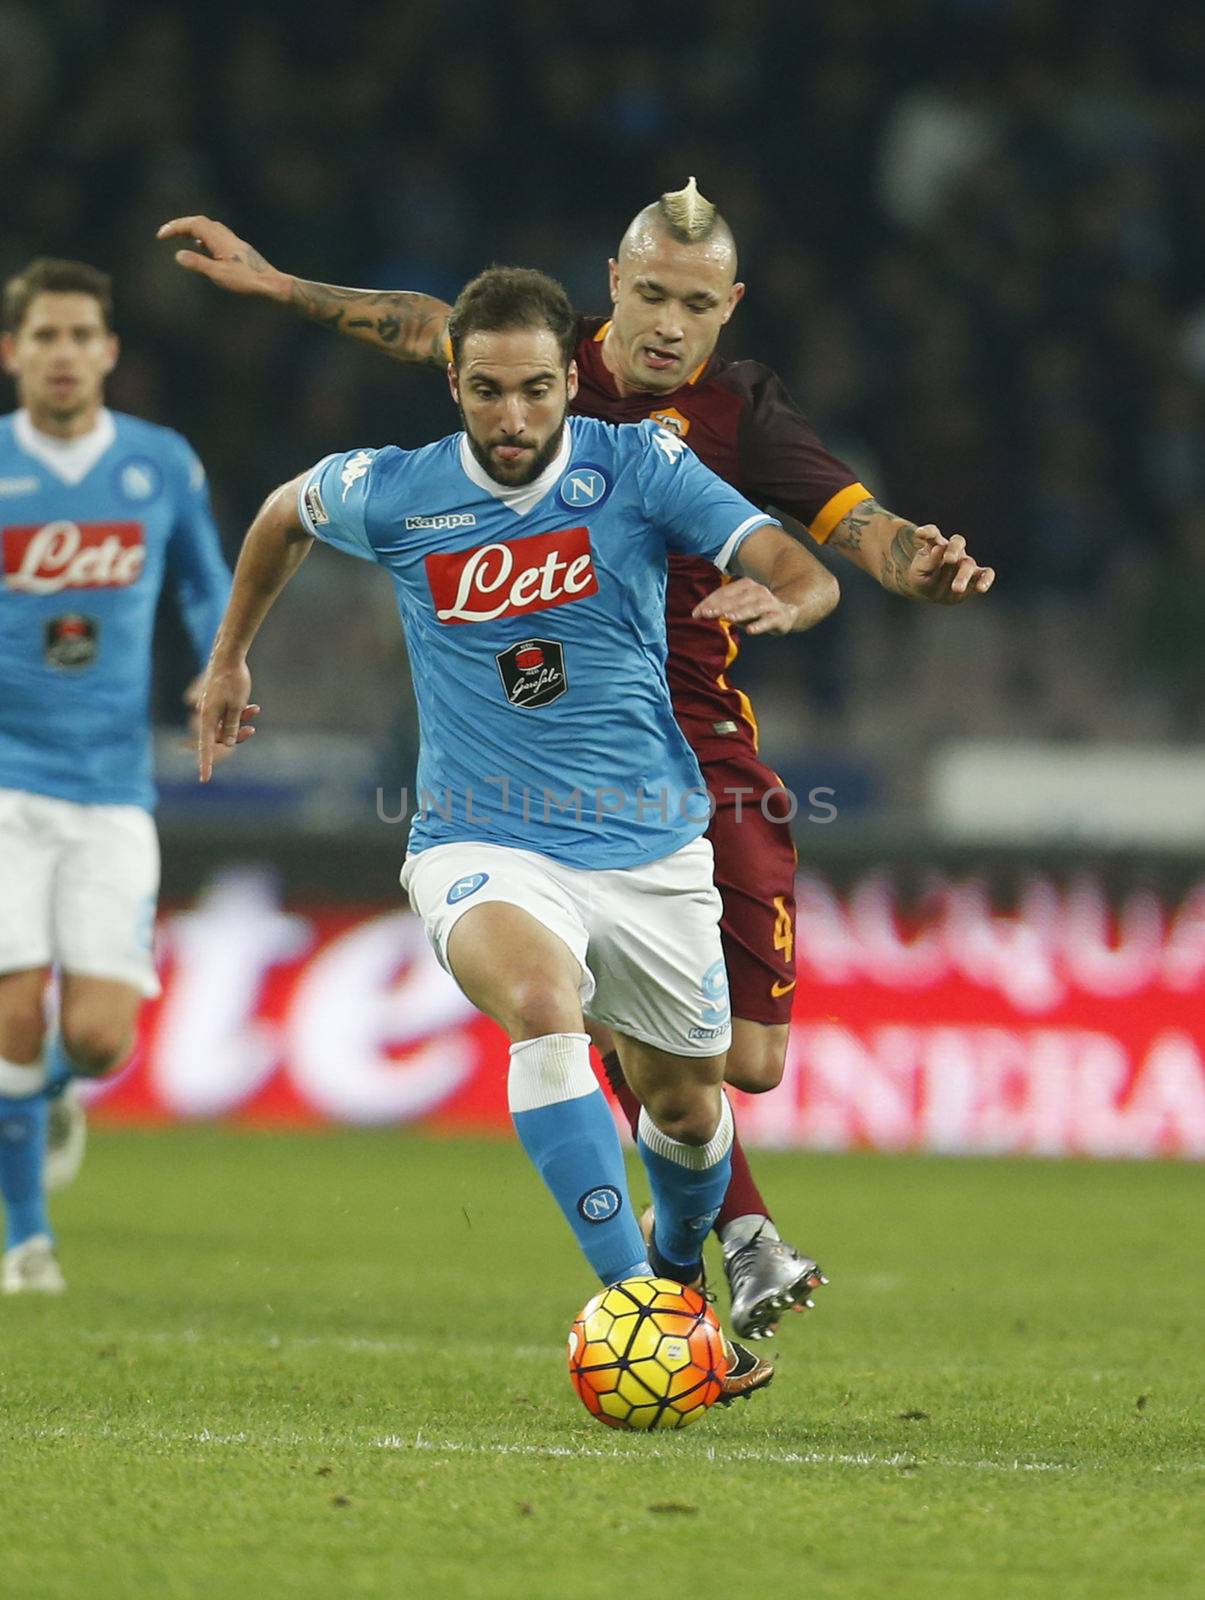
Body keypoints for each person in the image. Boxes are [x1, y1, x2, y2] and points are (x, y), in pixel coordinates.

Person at [161, 179, 995, 1337]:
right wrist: (278, 286)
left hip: (687, 741)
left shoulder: (728, 423)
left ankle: (702, 1219)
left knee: (737, 1069)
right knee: (555, 994)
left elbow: (851, 547)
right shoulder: (535, 371)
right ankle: (693, 1268)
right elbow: (418, 323)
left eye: (694, 304)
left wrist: (918, 567)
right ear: (610, 287)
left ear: (728, 307)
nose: (666, 323)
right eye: (649, 293)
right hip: (502, 783)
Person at [196, 265, 840, 1399]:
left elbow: (781, 554)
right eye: (487, 391)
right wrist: (228, 653)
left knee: (691, 1111)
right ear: (453, 380)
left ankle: (669, 1270)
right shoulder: (394, 491)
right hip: (479, 841)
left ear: (567, 383)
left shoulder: (635, 466)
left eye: (537, 390)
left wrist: (788, 592)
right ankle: (639, 1309)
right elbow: (277, 514)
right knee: (542, 1008)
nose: (513, 418)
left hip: (651, 851)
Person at [0, 258, 233, 1293]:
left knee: (94, 1039)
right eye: (42, 335)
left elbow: (203, 585)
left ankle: (48, 1098)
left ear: (108, 351)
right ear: (13, 351)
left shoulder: (158, 464)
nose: (61, 353)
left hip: (109, 788)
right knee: (11, 1008)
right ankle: (27, 1241)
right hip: (4, 780)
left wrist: (218, 667)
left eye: (79, 335)